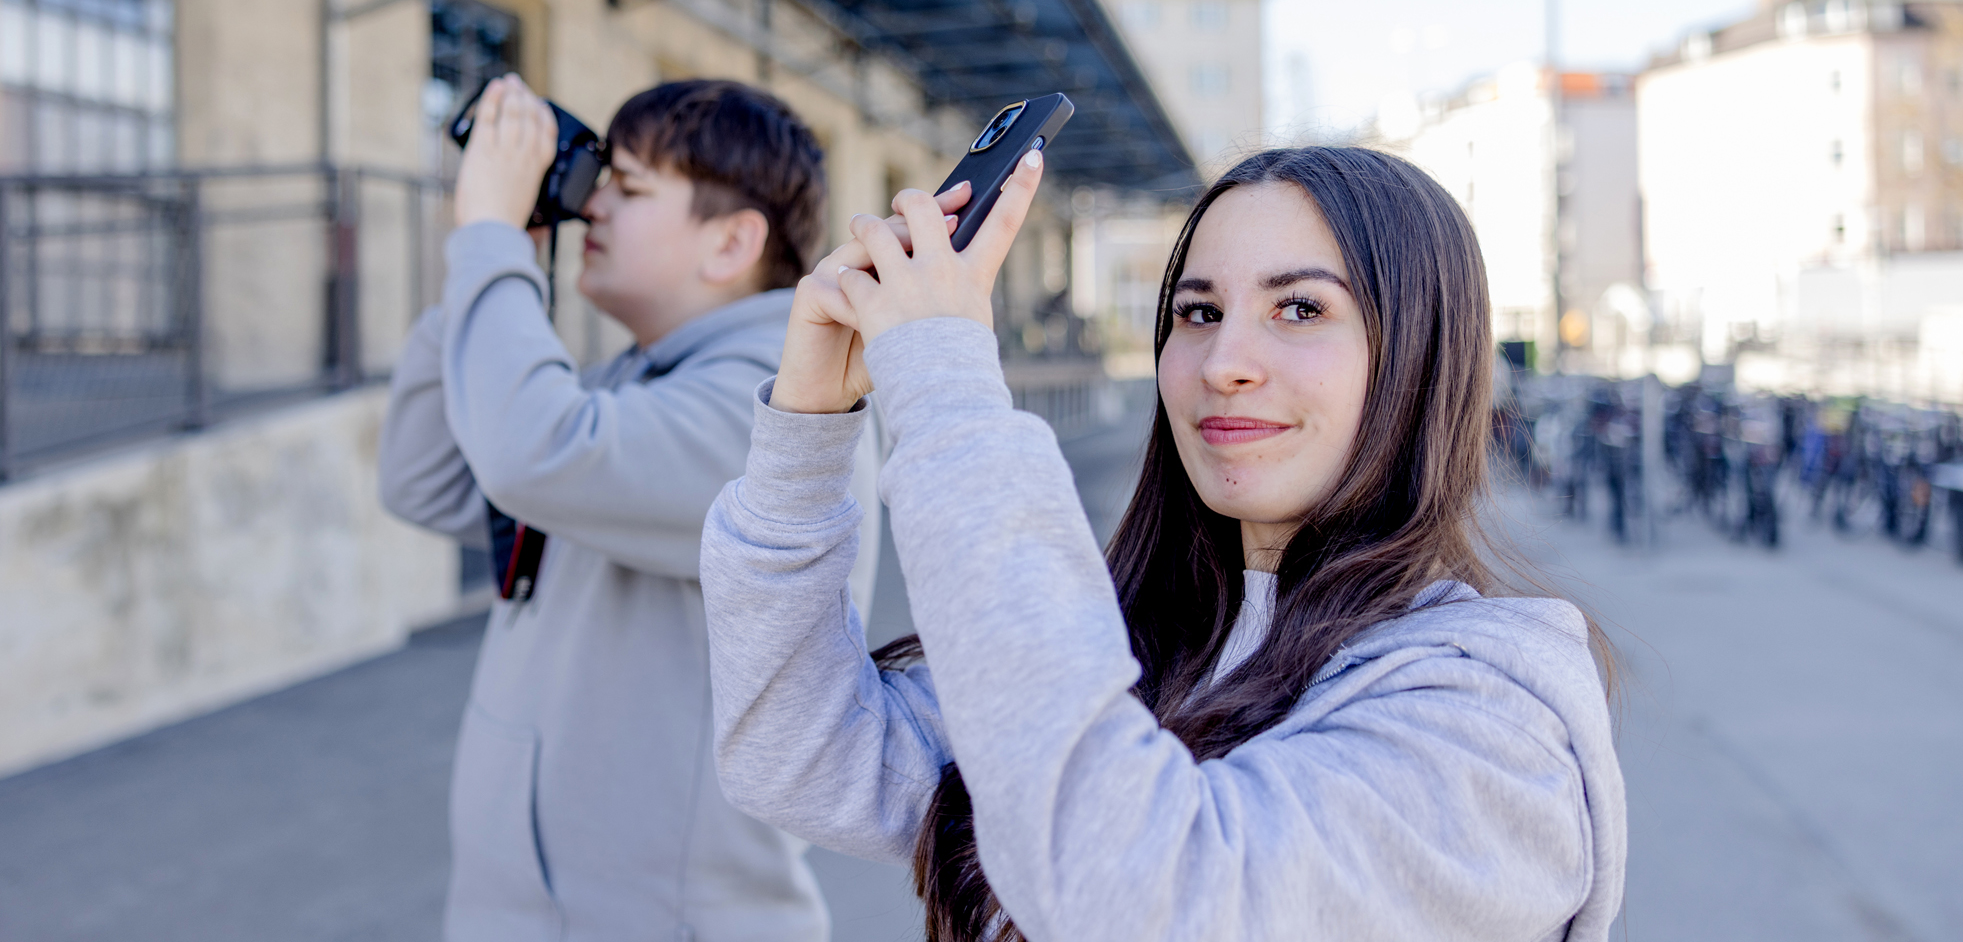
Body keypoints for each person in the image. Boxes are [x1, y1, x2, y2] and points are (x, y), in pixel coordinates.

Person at [698, 145, 1627, 940]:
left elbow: (1147, 895)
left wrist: (945, 391)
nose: (1225, 364)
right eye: (1198, 312)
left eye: (1300, 309)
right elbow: (802, 754)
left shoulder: (1492, 724)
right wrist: (809, 426)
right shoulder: (1143, 647)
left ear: (1421, 353)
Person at [379, 75, 879, 941]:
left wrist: (490, 240)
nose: (593, 206)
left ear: (730, 242)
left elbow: (532, 450)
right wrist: (497, 262)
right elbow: (426, 476)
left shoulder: (778, 405)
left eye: (630, 187)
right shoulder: (637, 381)